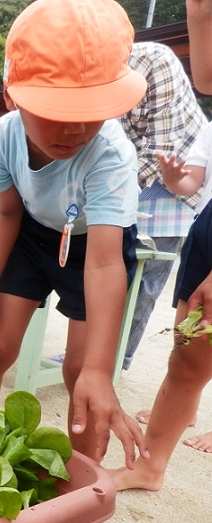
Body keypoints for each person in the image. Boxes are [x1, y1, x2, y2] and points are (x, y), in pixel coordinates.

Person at [0, 1, 148, 523]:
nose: (74, 127)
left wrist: (99, 367)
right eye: (57, 110)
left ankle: (82, 502)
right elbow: (8, 213)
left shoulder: (110, 152)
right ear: (11, 96)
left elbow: (106, 263)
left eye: (90, 110)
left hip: (96, 246)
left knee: (80, 375)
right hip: (34, 237)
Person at [118, 42, 208, 377]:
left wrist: (108, 191)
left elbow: (161, 151)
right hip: (132, 174)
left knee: (145, 282)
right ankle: (87, 352)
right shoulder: (85, 72)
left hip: (176, 180)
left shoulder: (154, 61)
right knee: (109, 270)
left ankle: (117, 361)